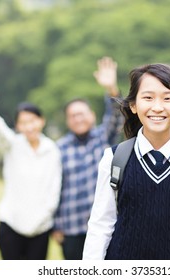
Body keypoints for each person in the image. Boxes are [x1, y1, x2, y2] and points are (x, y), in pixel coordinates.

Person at [82, 63, 170, 260]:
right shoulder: (114, 159)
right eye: (148, 98)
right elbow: (100, 227)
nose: (157, 107)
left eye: (167, 98)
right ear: (133, 105)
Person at [0, 81, 62, 260]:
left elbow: (54, 189)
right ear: (18, 126)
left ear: (41, 121)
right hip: (11, 225)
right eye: (23, 123)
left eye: (32, 121)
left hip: (41, 229)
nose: (29, 127)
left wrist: (42, 219)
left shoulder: (52, 150)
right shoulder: (13, 145)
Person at [52, 57, 124, 260]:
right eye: (72, 116)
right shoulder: (60, 148)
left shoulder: (104, 137)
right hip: (72, 227)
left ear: (92, 115)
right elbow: (56, 188)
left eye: (81, 114)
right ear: (67, 121)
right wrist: (56, 225)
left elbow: (117, 115)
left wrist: (111, 89)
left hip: (105, 225)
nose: (78, 119)